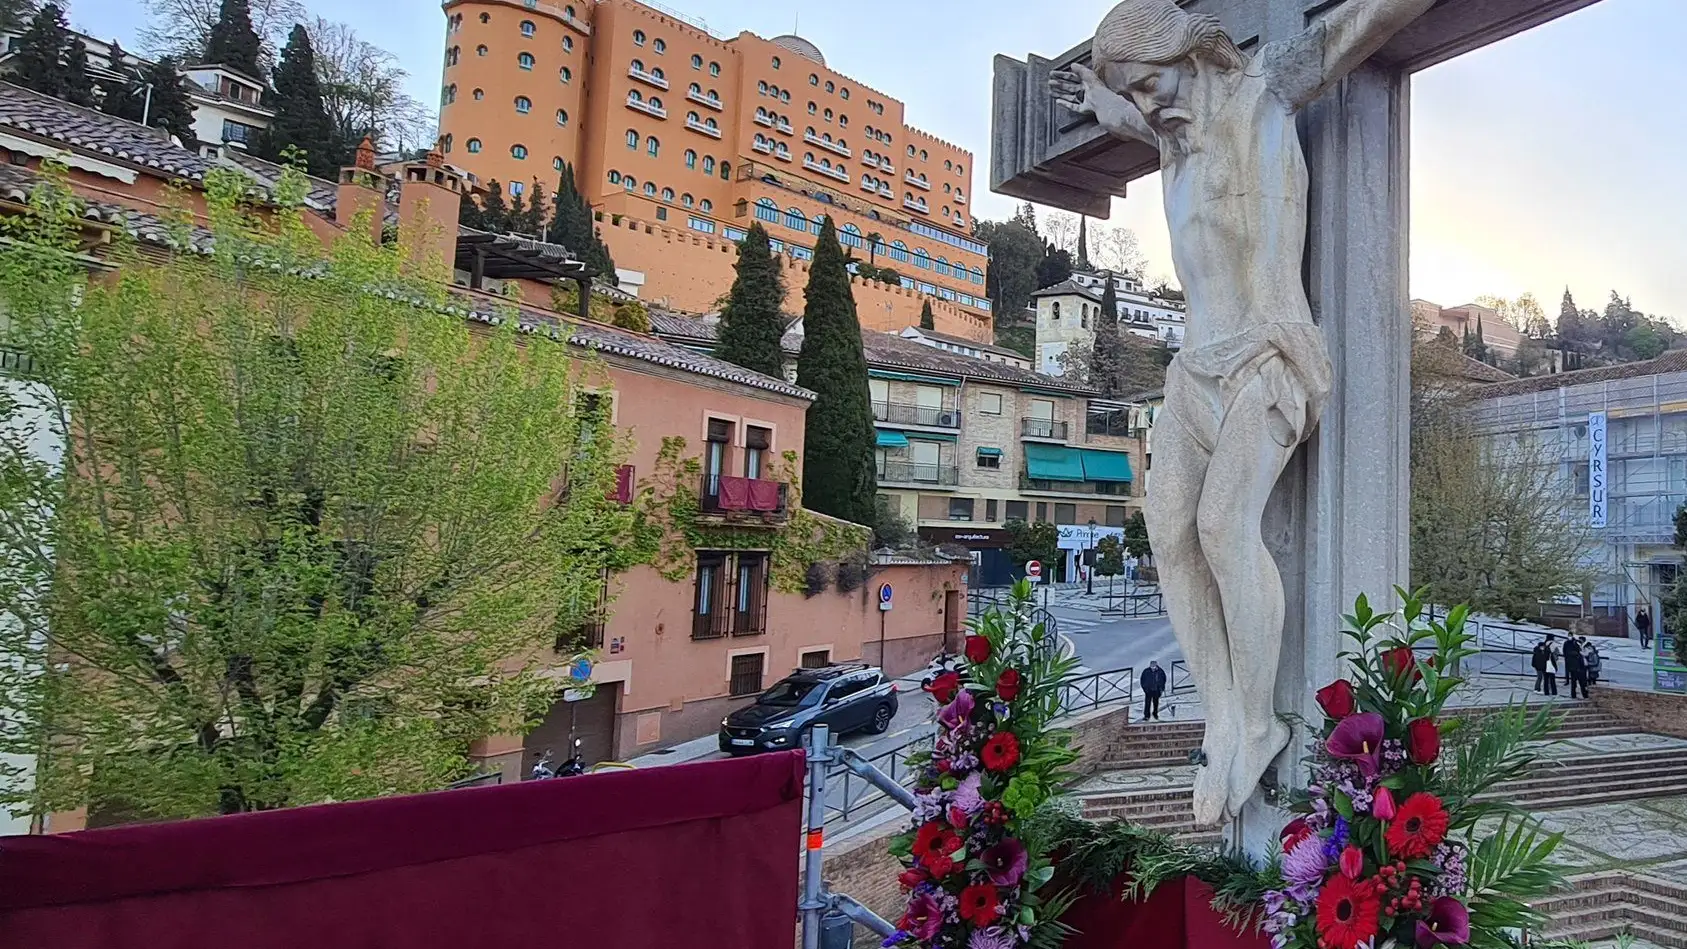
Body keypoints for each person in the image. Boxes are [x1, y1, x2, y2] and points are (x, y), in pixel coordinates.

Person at [1050, 0, 1439, 828]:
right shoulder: (1166, 138)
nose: (1151, 104)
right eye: (1138, 95)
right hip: (1193, 370)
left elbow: (1351, 28)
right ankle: (1224, 716)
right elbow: (1126, 109)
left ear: (1193, 56)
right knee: (1168, 533)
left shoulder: (1261, 93)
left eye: (1155, 82)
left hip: (1270, 354)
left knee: (1224, 525)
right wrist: (1102, 95)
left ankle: (1256, 719)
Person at [1563, 632, 1587, 699]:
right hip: (1579, 670)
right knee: (1582, 683)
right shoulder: (1578, 655)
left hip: (1573, 669)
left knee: (1574, 684)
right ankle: (1585, 695)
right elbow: (1581, 663)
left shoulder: (1570, 654)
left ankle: (1573, 695)